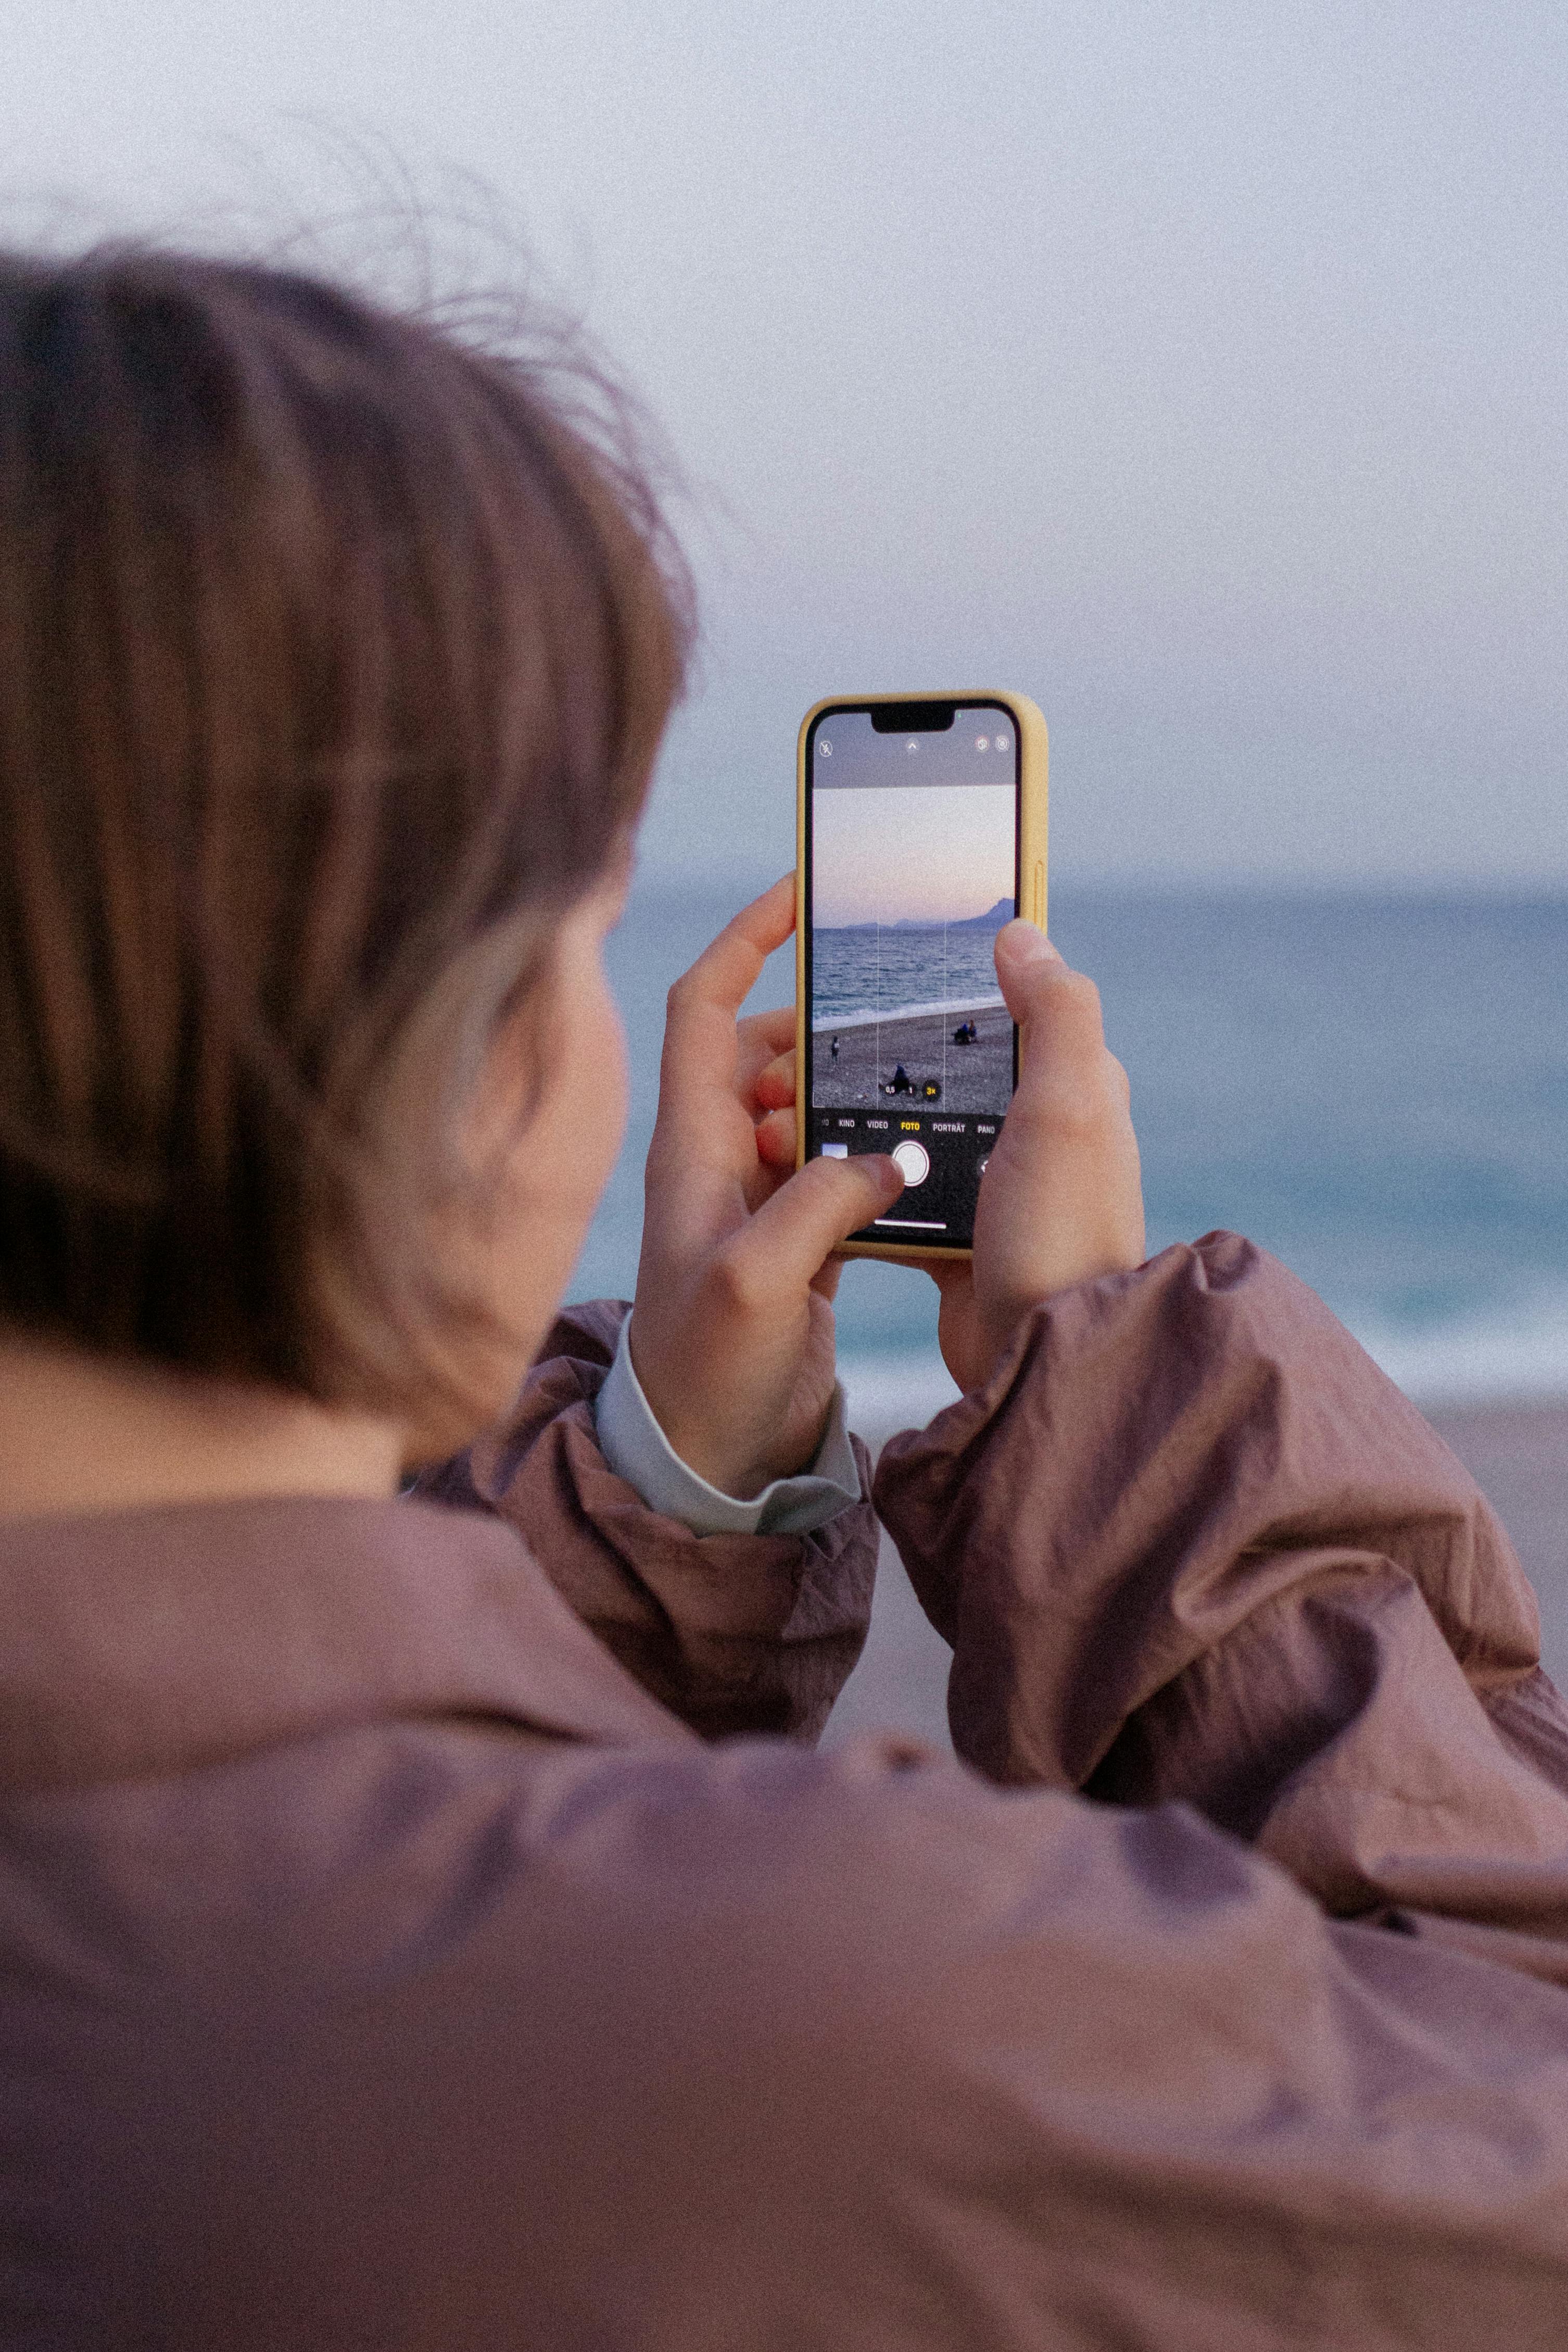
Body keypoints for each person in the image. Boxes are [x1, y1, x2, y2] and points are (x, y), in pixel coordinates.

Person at [3, 244, 1568, 2351]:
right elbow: (1508, 2128)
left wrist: (675, 1471)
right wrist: (1110, 1376)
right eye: (579, 917)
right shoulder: (843, 2011)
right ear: (451, 1056)